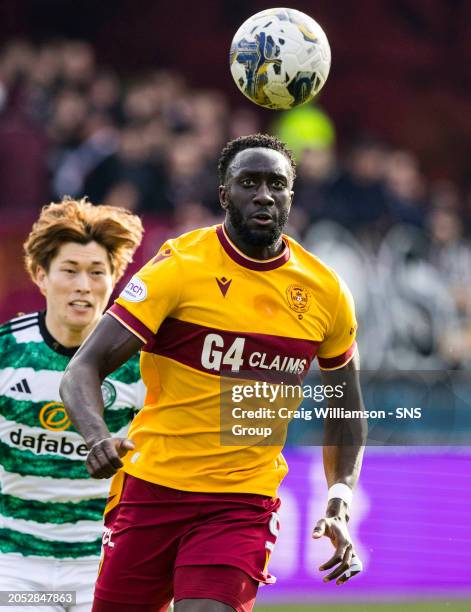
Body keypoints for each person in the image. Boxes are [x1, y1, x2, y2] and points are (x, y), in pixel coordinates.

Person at [60, 134, 366, 612]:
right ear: (224, 194)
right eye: (249, 183)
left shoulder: (326, 293)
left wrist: (340, 497)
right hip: (153, 489)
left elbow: (347, 409)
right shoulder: (179, 269)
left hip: (241, 501)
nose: (264, 194)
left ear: (291, 195)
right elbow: (83, 368)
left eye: (276, 184)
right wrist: (97, 436)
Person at [0, 197, 144, 611]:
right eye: (70, 270)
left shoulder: (141, 365)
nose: (84, 284)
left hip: (104, 559)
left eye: (97, 272)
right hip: (15, 562)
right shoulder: (9, 350)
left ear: (114, 281)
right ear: (41, 277)